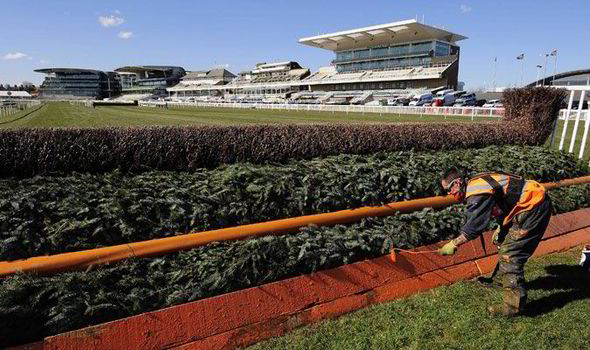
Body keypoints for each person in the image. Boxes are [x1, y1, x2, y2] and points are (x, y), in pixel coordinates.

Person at [437, 167, 552, 316]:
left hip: (533, 206)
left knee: (510, 253)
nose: (448, 194)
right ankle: (500, 281)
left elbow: (474, 226)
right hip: (527, 204)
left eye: (448, 189)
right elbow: (503, 198)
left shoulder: (476, 191)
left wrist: (454, 243)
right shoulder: (476, 182)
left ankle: (513, 306)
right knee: (504, 241)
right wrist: (501, 227)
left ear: (457, 183)